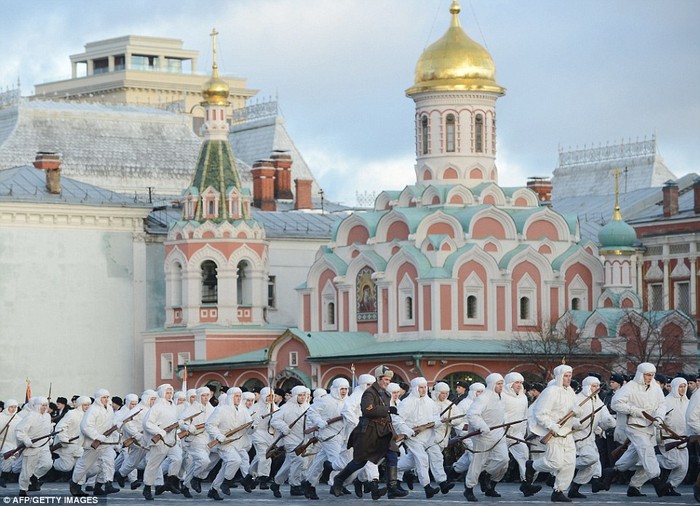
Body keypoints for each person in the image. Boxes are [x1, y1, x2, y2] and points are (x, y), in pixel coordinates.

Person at [332, 366, 401, 498]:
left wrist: (391, 428)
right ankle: (339, 480)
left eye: (389, 380)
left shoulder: (386, 394)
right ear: (379, 378)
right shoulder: (369, 393)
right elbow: (368, 410)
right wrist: (387, 409)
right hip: (369, 431)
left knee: (392, 454)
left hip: (383, 432)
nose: (388, 382)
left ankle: (392, 488)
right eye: (386, 379)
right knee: (360, 462)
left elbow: (387, 415)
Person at [603, 362, 668, 497]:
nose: (650, 378)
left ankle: (614, 472)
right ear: (640, 374)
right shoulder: (630, 388)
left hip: (650, 428)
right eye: (647, 375)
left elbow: (662, 404)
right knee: (646, 451)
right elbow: (616, 403)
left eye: (652, 375)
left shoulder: (655, 388)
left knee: (633, 456)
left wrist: (659, 418)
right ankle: (658, 483)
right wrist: (635, 411)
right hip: (635, 427)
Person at [525, 364, 581, 503]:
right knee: (555, 463)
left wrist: (577, 415)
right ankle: (532, 466)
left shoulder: (570, 392)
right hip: (554, 433)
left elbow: (572, 411)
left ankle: (559, 491)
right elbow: (540, 413)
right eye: (566, 376)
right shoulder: (551, 392)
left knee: (569, 463)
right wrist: (551, 425)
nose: (568, 379)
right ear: (559, 376)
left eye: (570, 376)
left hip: (567, 433)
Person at [395, 377, 450, 498]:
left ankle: (393, 469)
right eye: (421, 387)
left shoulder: (429, 401)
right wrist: (408, 430)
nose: (423, 390)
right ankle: (427, 487)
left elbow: (435, 416)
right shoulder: (407, 402)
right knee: (422, 459)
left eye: (425, 387)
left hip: (428, 436)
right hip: (413, 438)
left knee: (417, 460)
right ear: (415, 388)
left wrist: (438, 422)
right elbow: (397, 419)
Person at [304, 378, 350, 500]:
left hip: (341, 435)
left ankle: (309, 484)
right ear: (335, 389)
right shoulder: (326, 400)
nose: (344, 391)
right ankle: (337, 483)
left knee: (319, 463)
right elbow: (312, 412)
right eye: (342, 389)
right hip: (328, 435)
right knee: (338, 462)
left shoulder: (349, 401)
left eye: (346, 389)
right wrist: (320, 421)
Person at [569, 376, 615, 498]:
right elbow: (567, 417)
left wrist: (609, 422)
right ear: (587, 386)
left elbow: (603, 419)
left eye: (597, 386)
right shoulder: (577, 399)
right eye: (594, 386)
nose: (596, 389)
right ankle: (564, 467)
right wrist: (575, 423)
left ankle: (574, 488)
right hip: (578, 437)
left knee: (592, 465)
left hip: (590, 438)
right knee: (591, 458)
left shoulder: (598, 401)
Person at [205, 387, 253, 500]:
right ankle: (226, 482)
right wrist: (217, 435)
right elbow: (209, 425)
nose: (238, 398)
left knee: (228, 466)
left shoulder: (243, 410)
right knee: (235, 460)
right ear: (231, 397)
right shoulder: (221, 409)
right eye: (236, 396)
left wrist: (253, 427)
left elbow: (249, 427)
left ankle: (213, 489)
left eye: (240, 396)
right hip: (224, 443)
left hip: (238, 443)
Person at [70, 389, 120, 497]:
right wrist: (97, 436)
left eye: (107, 397)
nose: (106, 399)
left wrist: (117, 426)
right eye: (103, 397)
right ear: (98, 398)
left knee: (108, 461)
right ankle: (75, 484)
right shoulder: (93, 410)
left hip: (105, 442)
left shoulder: (109, 409)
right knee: (84, 465)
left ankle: (104, 484)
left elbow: (110, 424)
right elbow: (86, 427)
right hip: (92, 443)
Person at [142, 384, 183, 500]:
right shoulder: (156, 407)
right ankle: (147, 487)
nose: (169, 395)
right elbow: (147, 423)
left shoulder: (172, 406)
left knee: (178, 458)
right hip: (160, 440)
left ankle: (170, 482)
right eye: (167, 392)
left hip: (171, 440)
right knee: (153, 465)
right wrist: (160, 431)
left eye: (171, 392)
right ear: (162, 393)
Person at [269, 385, 309, 498]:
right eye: (300, 395)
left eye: (304, 395)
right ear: (295, 396)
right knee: (299, 460)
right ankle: (295, 485)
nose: (302, 397)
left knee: (289, 464)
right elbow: (275, 420)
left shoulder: (307, 406)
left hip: (303, 440)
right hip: (290, 440)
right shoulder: (286, 408)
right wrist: (284, 428)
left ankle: (276, 483)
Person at [656, 376, 688, 496]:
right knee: (673, 463)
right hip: (668, 439)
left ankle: (669, 486)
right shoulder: (665, 402)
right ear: (675, 387)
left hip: (683, 439)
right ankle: (652, 460)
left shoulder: (688, 402)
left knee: (683, 467)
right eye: (680, 386)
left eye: (684, 386)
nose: (683, 389)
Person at [15, 397, 53, 497]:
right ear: (37, 405)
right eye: (42, 405)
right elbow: (19, 431)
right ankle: (23, 489)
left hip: (44, 446)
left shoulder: (47, 416)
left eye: (46, 405)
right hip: (31, 447)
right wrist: (27, 440)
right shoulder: (31, 416)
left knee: (47, 464)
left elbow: (48, 430)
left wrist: (49, 439)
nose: (44, 407)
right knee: (27, 470)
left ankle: (34, 476)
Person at [180, 386, 214, 498]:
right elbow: (181, 422)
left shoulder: (211, 408)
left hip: (207, 439)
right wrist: (190, 427)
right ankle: (196, 478)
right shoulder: (191, 409)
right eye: (203, 395)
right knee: (204, 461)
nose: (205, 398)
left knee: (195, 464)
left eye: (207, 395)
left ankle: (186, 485)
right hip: (195, 439)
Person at [501, 372, 530, 491]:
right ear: (510, 383)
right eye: (516, 382)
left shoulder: (523, 397)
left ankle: (526, 484)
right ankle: (489, 483)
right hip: (502, 434)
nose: (519, 385)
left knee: (524, 455)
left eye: (521, 383)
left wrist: (522, 431)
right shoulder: (501, 396)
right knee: (501, 461)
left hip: (517, 434)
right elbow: (498, 413)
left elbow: (525, 415)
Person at [53, 395, 91, 480]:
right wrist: (64, 438)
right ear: (80, 405)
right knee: (66, 467)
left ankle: (77, 485)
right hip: (69, 444)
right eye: (85, 405)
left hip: (81, 445)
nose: (87, 407)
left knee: (81, 467)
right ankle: (53, 463)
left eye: (89, 405)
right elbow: (60, 427)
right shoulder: (71, 413)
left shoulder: (90, 416)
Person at [246, 387, 277, 491]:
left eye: (272, 396)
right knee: (265, 455)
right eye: (268, 396)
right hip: (257, 433)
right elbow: (249, 422)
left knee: (259, 457)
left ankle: (249, 477)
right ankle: (263, 479)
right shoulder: (254, 408)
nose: (270, 398)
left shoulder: (275, 407)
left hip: (269, 435)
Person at [0, 399, 21, 487]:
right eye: (11, 407)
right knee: (7, 459)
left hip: (14, 443)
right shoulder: (1, 417)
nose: (13, 409)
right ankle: (3, 478)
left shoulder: (19, 418)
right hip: (3, 442)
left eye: (15, 407)